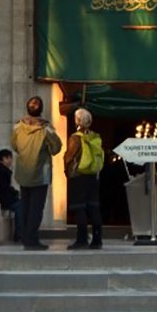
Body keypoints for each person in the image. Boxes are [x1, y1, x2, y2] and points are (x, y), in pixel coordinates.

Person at [11, 96, 62, 251]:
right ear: (41, 109)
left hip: (23, 173)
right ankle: (32, 240)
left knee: (25, 206)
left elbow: (14, 146)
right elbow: (56, 148)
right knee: (36, 209)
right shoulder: (46, 129)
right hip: (41, 173)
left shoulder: (17, 127)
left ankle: (26, 238)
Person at [63, 107, 104, 250]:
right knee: (94, 207)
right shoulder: (96, 136)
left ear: (78, 121)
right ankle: (97, 240)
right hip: (93, 176)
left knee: (79, 207)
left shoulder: (76, 137)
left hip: (79, 176)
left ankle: (82, 240)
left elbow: (70, 156)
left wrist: (66, 170)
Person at [0, 148, 22, 242]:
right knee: (20, 207)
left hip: (6, 197)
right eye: (9, 158)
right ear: (3, 159)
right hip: (5, 199)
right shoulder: (3, 171)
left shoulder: (3, 170)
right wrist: (15, 194)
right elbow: (4, 188)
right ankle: (19, 234)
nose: (11, 160)